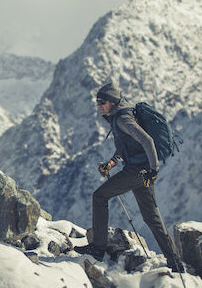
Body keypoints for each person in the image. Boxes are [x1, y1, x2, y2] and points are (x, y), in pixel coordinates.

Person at [74, 82, 181, 270]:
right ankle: (174, 261)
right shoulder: (120, 117)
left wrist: (153, 169)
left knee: (99, 196)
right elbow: (125, 149)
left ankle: (98, 248)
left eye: (103, 101)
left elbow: (147, 141)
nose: (99, 105)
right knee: (151, 217)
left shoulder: (123, 119)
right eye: (97, 102)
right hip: (141, 171)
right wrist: (111, 164)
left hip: (137, 171)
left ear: (113, 102)